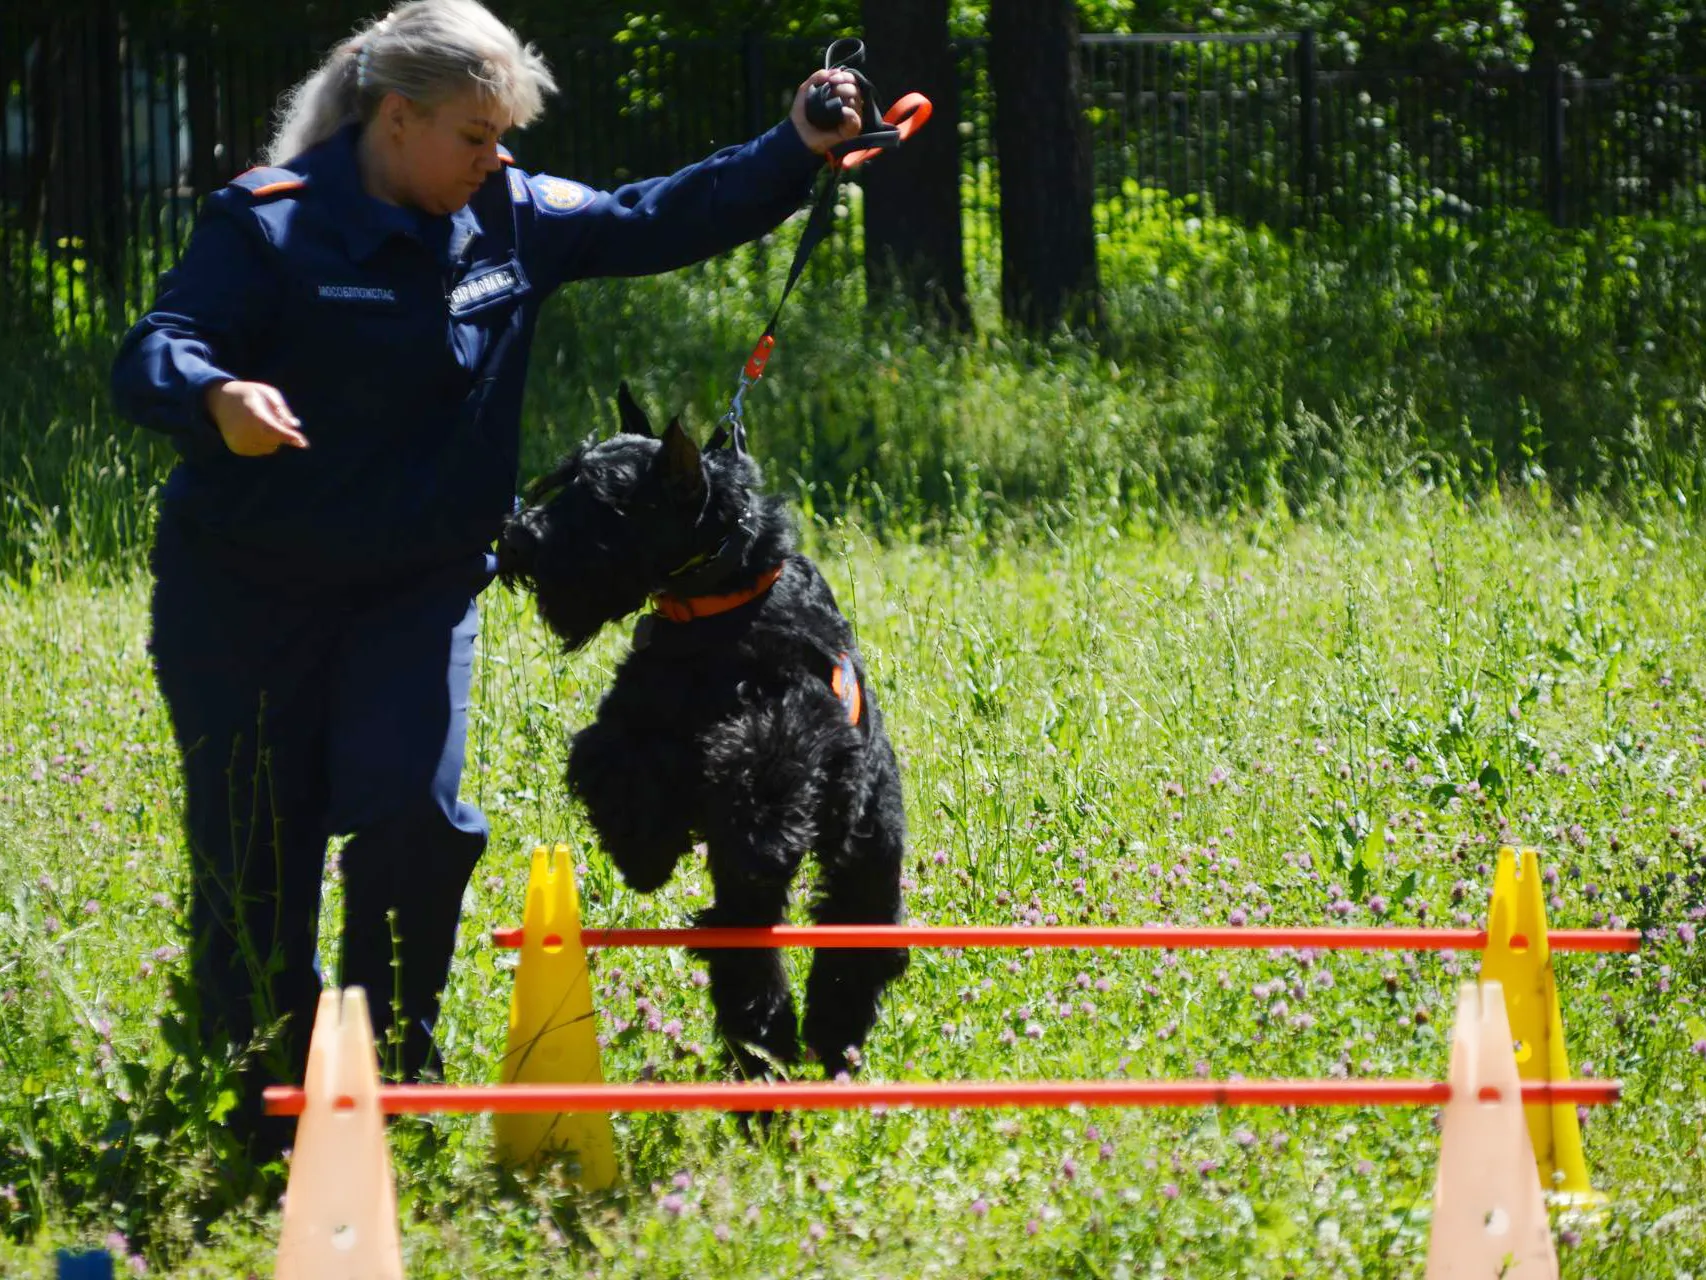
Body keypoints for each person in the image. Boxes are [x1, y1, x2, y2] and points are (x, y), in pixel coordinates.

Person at [109, 0, 864, 1163]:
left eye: (504, 136)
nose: (494, 158)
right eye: (473, 135)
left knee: (416, 817)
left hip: (416, 587)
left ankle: (389, 1081)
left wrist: (794, 147)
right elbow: (156, 345)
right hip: (246, 595)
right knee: (258, 843)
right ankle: (260, 1095)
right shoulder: (270, 222)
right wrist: (215, 395)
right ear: (395, 119)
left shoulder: (510, 214)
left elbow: (654, 215)